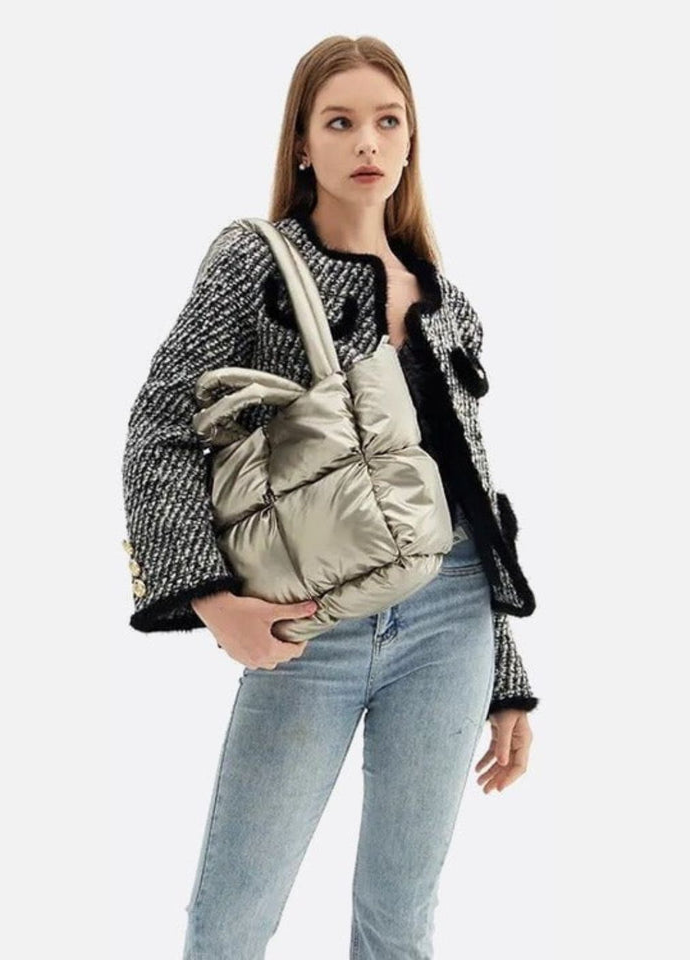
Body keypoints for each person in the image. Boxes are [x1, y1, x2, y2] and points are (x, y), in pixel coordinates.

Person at [121, 34, 539, 960]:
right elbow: (159, 427)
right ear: (303, 143)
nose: (368, 142)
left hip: (452, 621)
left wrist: (506, 677)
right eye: (340, 122)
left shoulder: (448, 305)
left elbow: (467, 493)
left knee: (400, 917)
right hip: (308, 624)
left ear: (411, 141)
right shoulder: (256, 265)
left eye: (389, 122)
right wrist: (207, 597)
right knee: (232, 916)